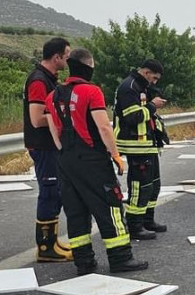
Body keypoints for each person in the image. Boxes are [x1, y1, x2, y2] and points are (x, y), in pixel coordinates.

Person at [44, 48, 148, 275]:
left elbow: (54, 131)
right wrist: (115, 155)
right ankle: (120, 257)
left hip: (66, 160)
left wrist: (64, 153)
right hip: (92, 159)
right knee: (110, 207)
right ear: (88, 66)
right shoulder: (91, 91)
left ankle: (84, 262)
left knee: (76, 211)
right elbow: (103, 127)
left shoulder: (52, 96)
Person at [23, 37, 74, 262]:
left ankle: (52, 242)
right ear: (56, 57)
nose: (68, 60)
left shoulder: (49, 79)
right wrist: (64, 117)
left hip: (51, 145)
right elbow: (36, 118)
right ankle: (45, 248)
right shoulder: (38, 81)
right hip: (43, 145)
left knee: (55, 193)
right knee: (49, 192)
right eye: (67, 56)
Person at [113, 59, 168, 240]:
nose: (155, 82)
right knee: (140, 186)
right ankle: (135, 225)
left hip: (148, 144)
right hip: (135, 145)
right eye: (154, 77)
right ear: (146, 72)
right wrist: (153, 106)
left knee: (153, 185)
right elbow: (132, 116)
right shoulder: (129, 87)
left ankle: (147, 220)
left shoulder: (141, 86)